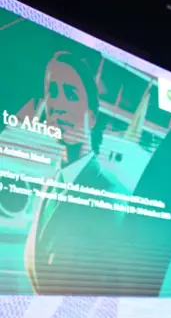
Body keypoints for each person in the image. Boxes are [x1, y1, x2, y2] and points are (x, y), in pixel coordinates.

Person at [24, 51, 128, 296]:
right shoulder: (50, 185)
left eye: (71, 95)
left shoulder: (112, 193)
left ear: (91, 118)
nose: (58, 105)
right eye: (52, 92)